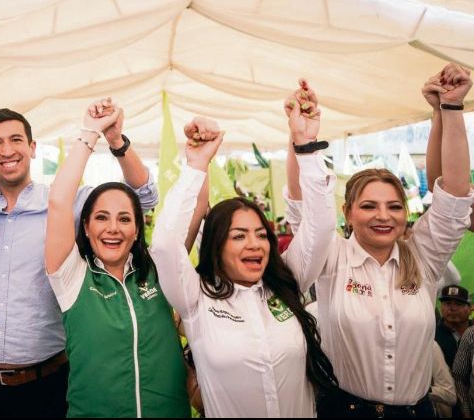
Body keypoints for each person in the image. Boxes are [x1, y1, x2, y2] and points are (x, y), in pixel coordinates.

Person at [0, 98, 157, 417]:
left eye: (16, 140)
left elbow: (144, 197)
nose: (7, 151)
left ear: (33, 147)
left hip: (48, 383)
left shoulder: (66, 205)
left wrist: (116, 141)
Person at [284, 64, 473, 418]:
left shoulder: (424, 256)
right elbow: (299, 203)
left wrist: (450, 108)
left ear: (405, 213)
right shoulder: (331, 255)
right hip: (344, 410)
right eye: (369, 206)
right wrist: (299, 138)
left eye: (394, 207)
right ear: (348, 212)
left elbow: (455, 195)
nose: (383, 216)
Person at [150, 109, 339, 417]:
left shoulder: (287, 283)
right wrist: (196, 165)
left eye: (260, 235)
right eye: (238, 236)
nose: (254, 244)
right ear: (215, 246)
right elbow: (165, 244)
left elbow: (320, 229)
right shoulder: (195, 298)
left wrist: (306, 146)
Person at [44, 103, 189, 417]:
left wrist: (117, 141)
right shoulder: (72, 278)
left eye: (124, 219)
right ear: (85, 226)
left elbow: (194, 207)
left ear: (137, 230)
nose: (112, 228)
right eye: (101, 218)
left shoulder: (158, 271)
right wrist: (90, 133)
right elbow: (58, 200)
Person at [436, 284, 472, 369]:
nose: (452, 308)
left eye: (458, 304)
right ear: (441, 307)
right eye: (447, 303)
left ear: (470, 309)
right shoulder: (432, 335)